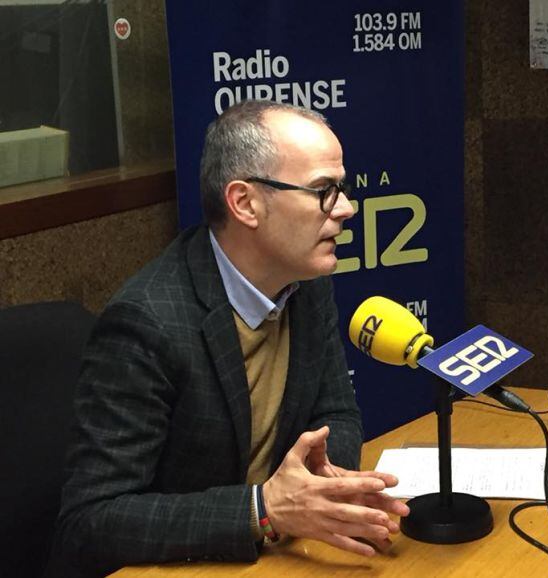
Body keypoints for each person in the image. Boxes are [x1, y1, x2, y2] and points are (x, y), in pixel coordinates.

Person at [49, 100, 409, 577]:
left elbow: (336, 413)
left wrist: (319, 487)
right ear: (244, 203)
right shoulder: (147, 323)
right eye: (323, 190)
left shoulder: (306, 283)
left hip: (273, 558)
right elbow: (92, 520)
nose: (345, 208)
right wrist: (261, 510)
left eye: (341, 188)